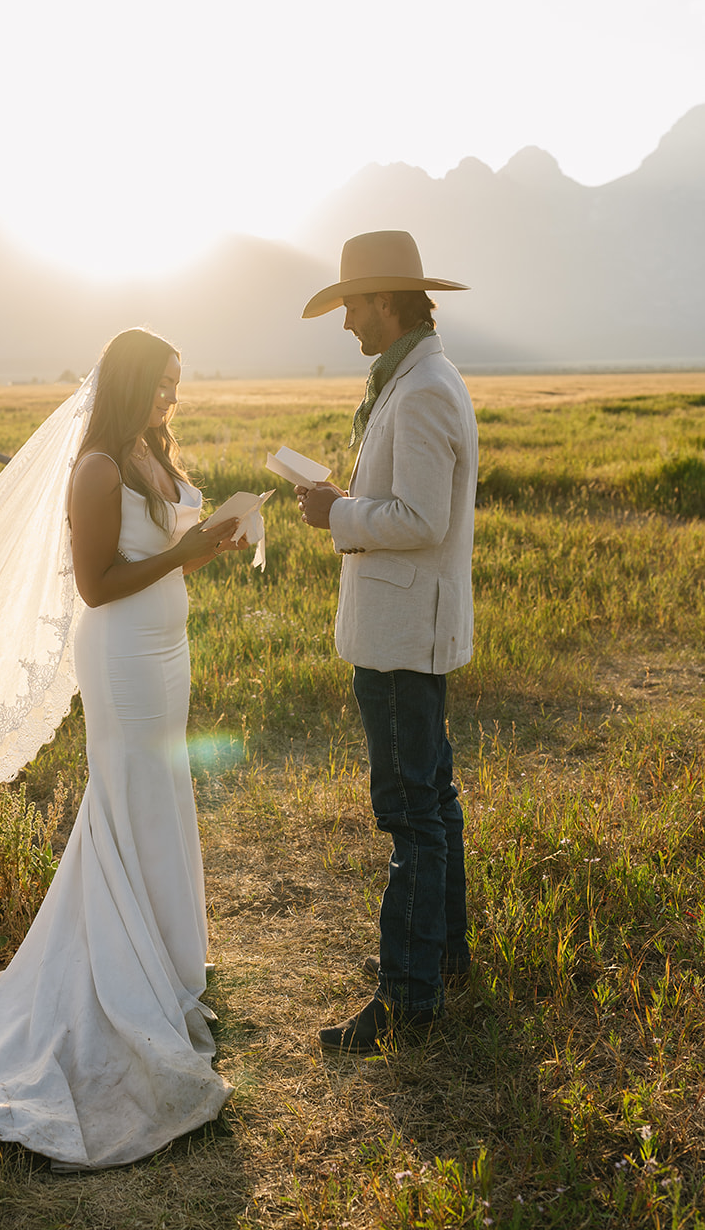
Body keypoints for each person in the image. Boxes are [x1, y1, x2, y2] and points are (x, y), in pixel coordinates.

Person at [0, 328, 247, 1167]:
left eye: (179, 386)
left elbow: (164, 562)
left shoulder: (148, 453)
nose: (171, 400)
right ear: (130, 383)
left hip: (166, 651)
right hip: (122, 657)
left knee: (160, 794)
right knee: (127, 795)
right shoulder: (98, 467)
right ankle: (114, 972)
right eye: (162, 385)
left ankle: (166, 964)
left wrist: (205, 547)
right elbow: (97, 585)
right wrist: (179, 550)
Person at [296, 230, 478, 1053]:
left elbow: (420, 519)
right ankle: (444, 958)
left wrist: (335, 512)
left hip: (403, 635)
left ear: (387, 302)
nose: (345, 325)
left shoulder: (423, 390)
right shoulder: (411, 381)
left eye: (351, 307)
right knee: (430, 799)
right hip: (402, 627)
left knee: (409, 812)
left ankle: (407, 997)